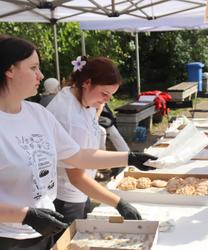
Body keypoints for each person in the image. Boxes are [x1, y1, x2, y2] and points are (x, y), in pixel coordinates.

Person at [0, 35, 156, 250]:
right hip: (8, 237)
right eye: (33, 67)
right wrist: (25, 215)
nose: (41, 75)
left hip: (42, 229)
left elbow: (77, 155)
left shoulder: (37, 113)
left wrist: (129, 157)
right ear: (10, 70)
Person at [47, 56, 142, 226]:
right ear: (87, 82)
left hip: (81, 191)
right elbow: (76, 176)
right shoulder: (70, 118)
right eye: (104, 94)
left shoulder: (79, 95)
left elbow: (90, 122)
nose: (106, 101)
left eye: (110, 96)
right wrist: (118, 203)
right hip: (67, 198)